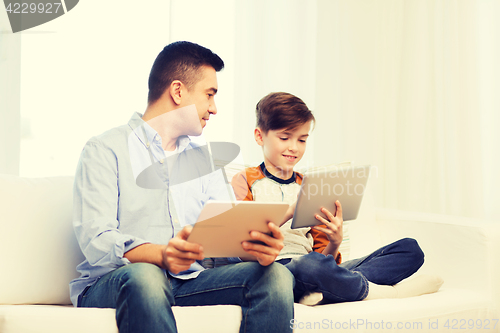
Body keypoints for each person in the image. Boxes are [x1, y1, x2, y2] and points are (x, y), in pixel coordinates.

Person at [70, 42, 294, 333]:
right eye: (209, 95)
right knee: (147, 277)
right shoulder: (105, 149)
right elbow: (96, 239)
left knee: (274, 275)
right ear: (178, 92)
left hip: (188, 282)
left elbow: (224, 240)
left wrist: (254, 249)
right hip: (118, 281)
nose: (214, 109)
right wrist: (162, 255)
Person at [231, 92, 443, 305]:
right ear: (260, 136)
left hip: (319, 269)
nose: (294, 147)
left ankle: (325, 292)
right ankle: (379, 292)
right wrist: (289, 211)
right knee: (309, 266)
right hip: (278, 271)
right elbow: (244, 243)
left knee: (409, 249)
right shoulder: (244, 180)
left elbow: (326, 260)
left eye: (302, 139)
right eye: (285, 138)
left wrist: (335, 241)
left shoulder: (310, 185)